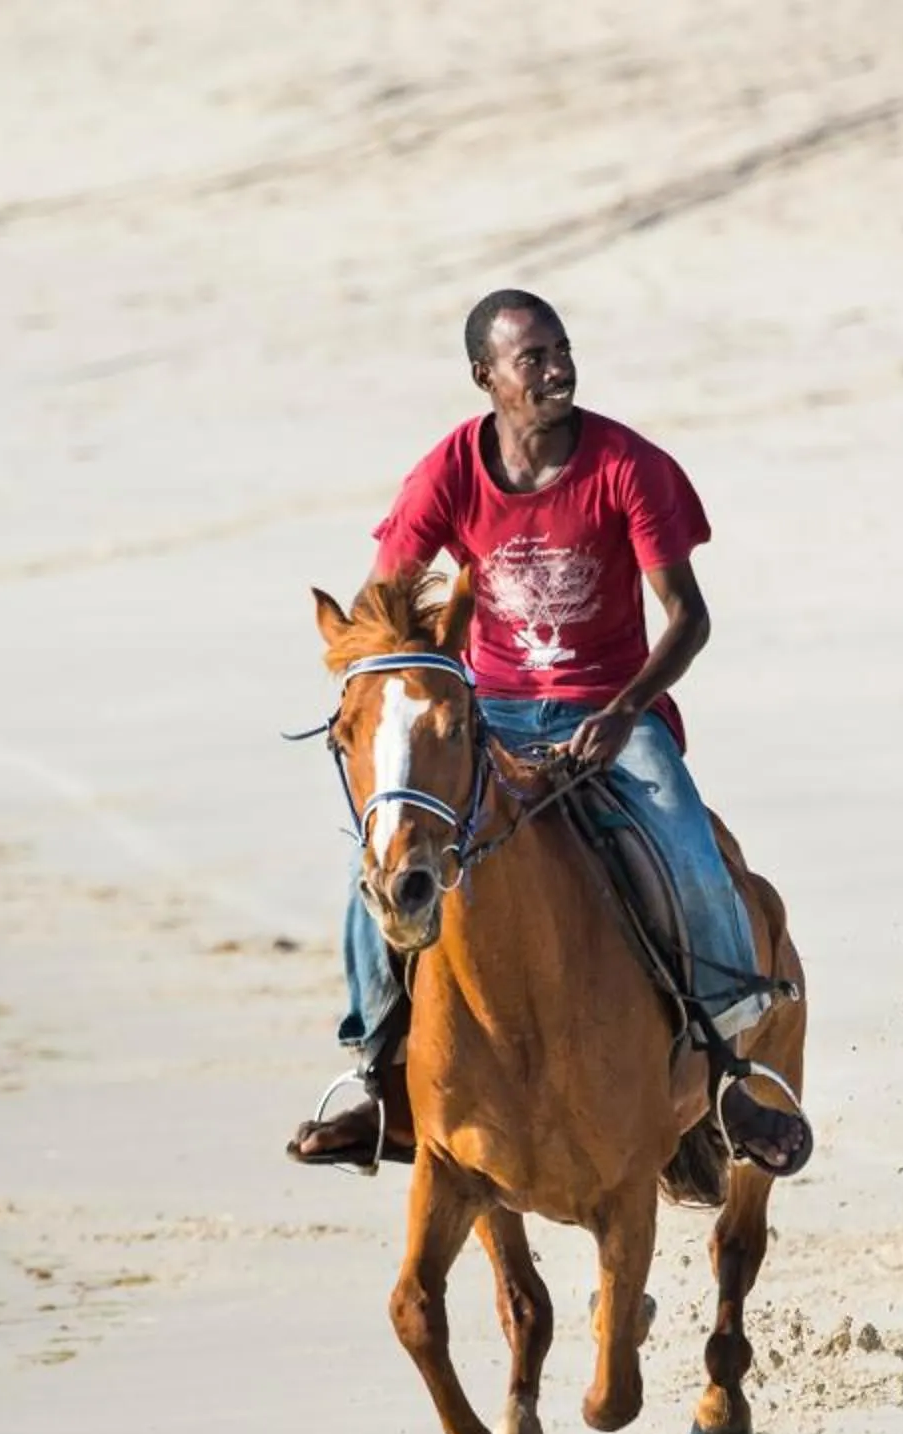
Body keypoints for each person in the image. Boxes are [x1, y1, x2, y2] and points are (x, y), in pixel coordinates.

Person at [288, 289, 813, 1177]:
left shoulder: (627, 466)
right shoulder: (448, 471)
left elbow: (687, 618)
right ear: (484, 377)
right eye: (531, 358)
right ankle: (378, 1073)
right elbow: (384, 605)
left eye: (561, 350)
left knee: (686, 847)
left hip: (612, 711)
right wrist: (392, 685)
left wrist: (623, 709)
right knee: (377, 859)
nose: (556, 369)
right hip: (485, 715)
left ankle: (730, 1070)